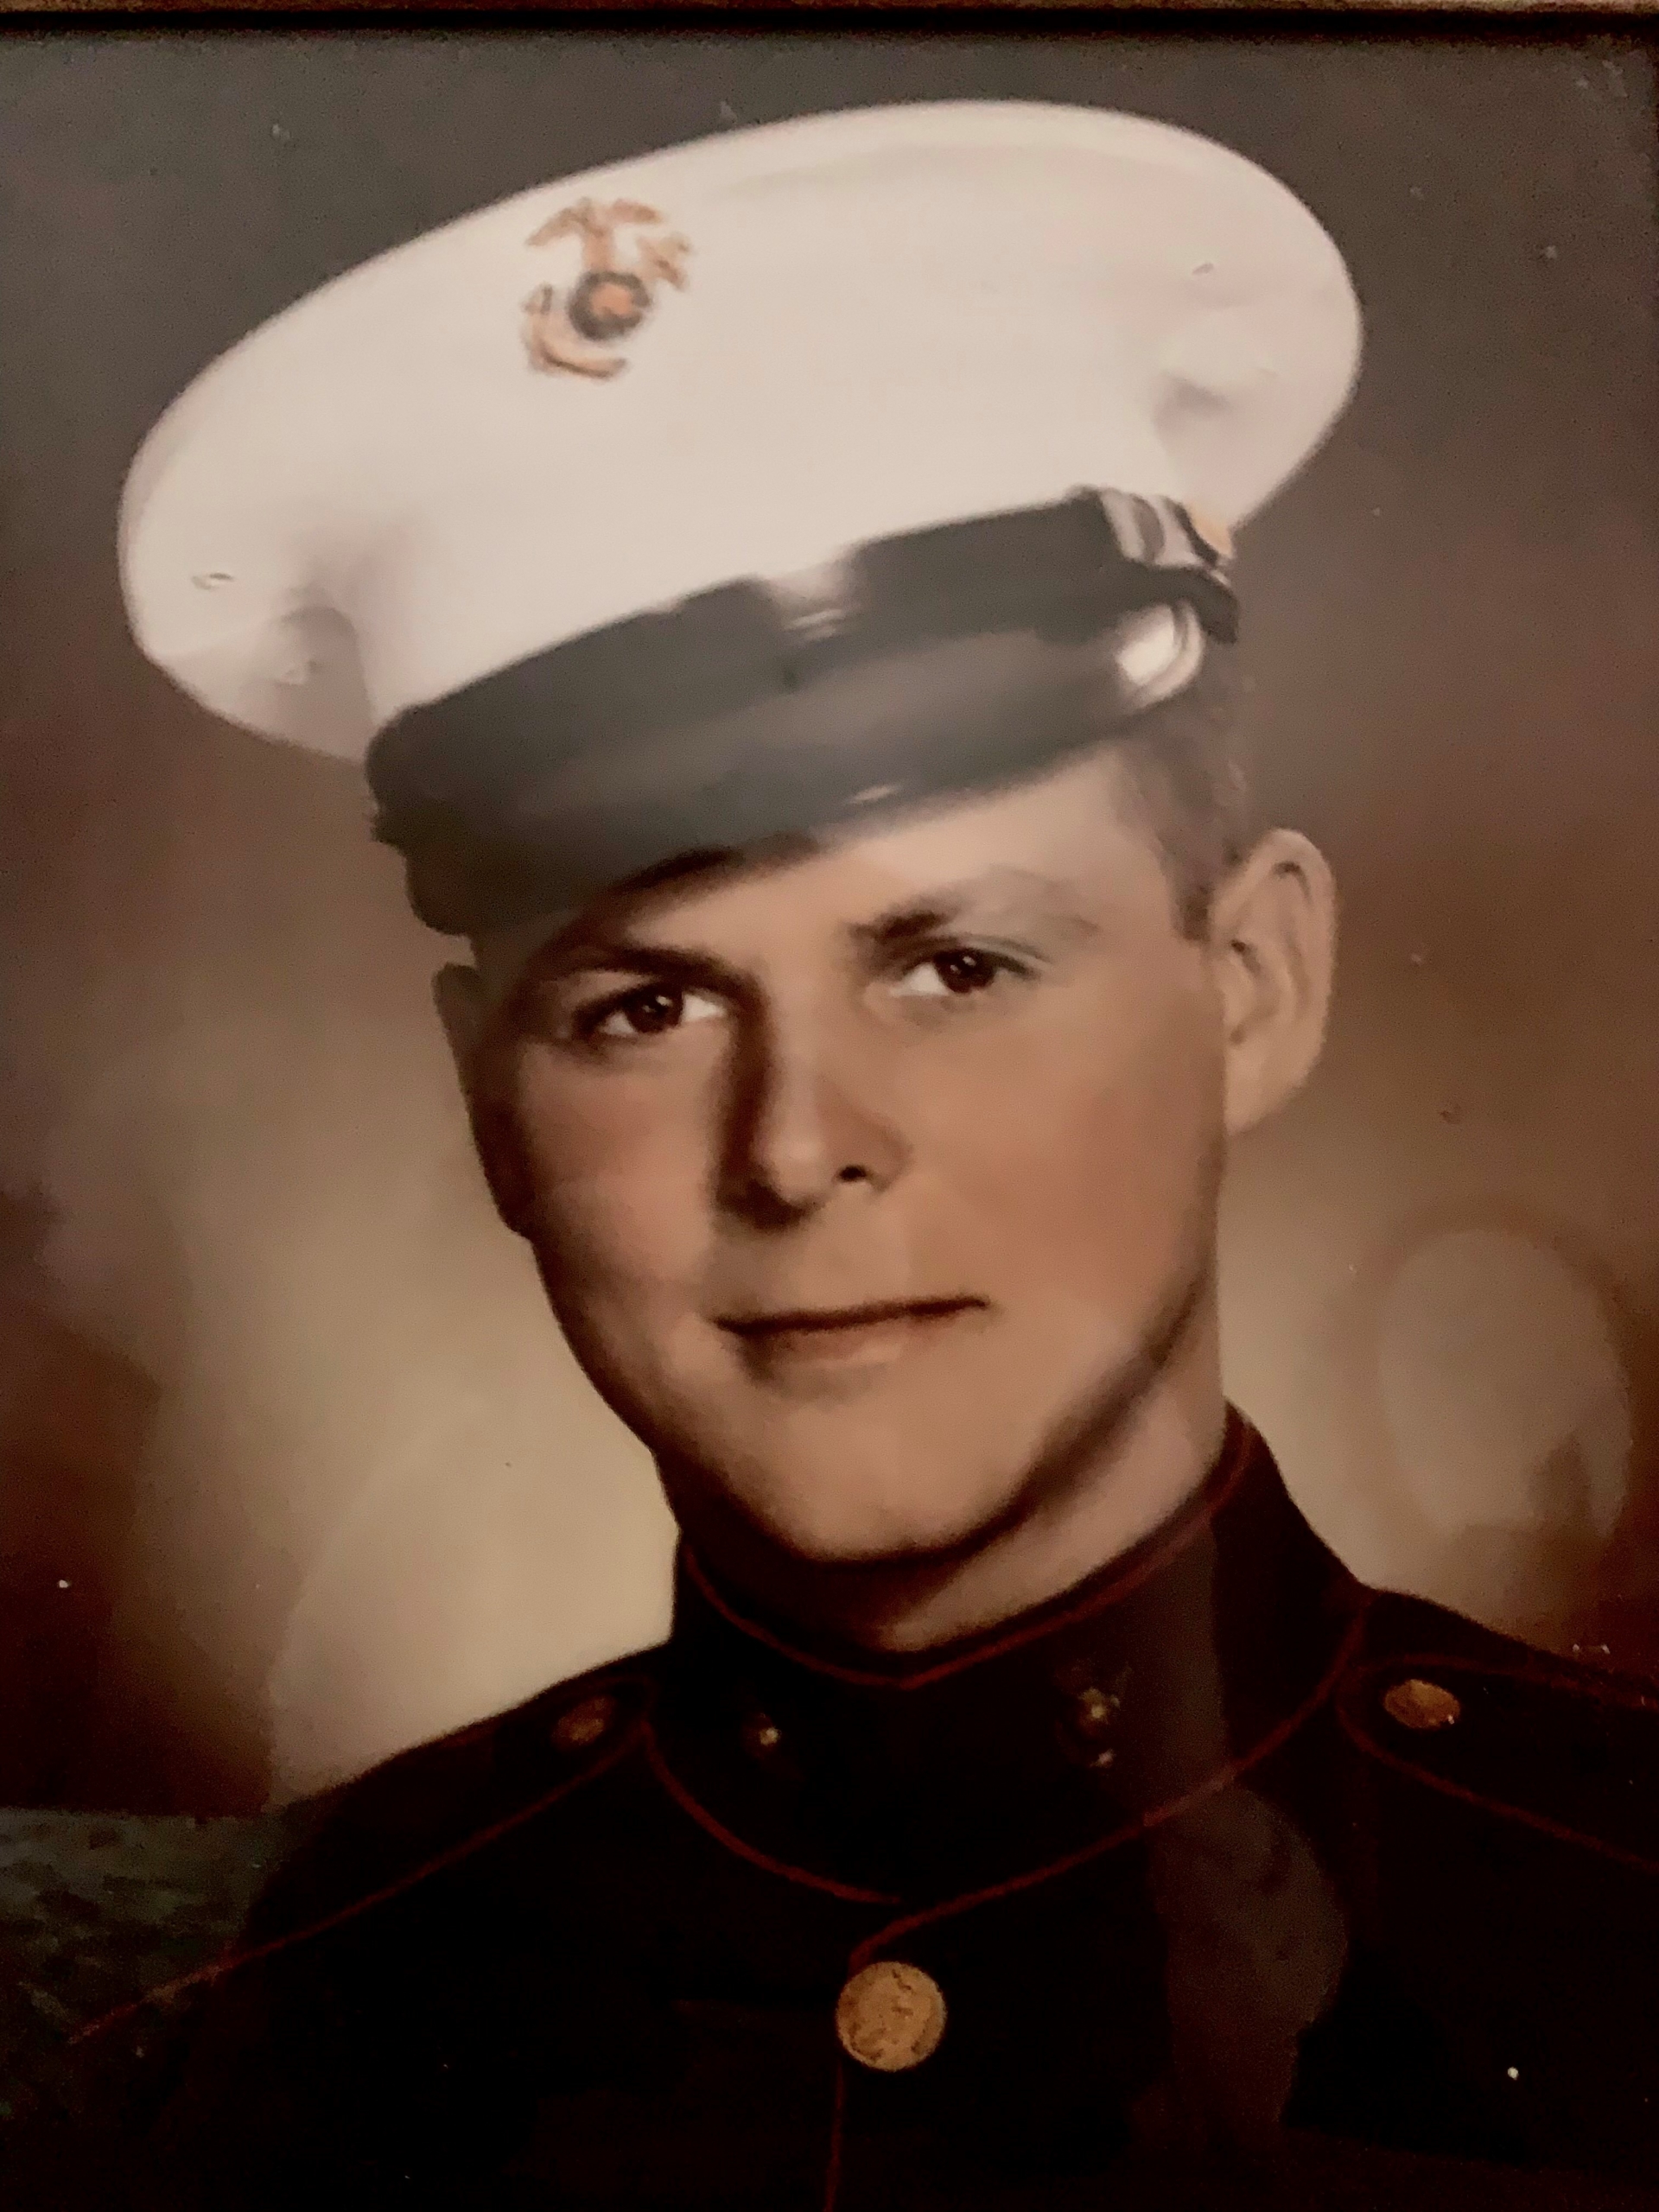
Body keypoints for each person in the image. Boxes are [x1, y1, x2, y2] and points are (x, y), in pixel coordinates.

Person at [12, 99, 1659, 2212]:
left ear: (1253, 981)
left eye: (957, 965)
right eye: (647, 1006)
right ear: (487, 1102)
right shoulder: (293, 2020)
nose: (795, 1149)